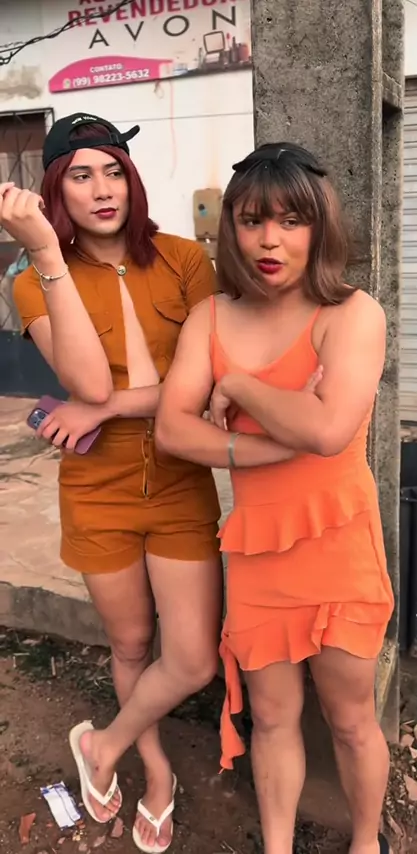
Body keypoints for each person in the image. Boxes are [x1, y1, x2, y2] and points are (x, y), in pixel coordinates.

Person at [155, 143, 395, 854]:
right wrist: (263, 444)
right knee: (272, 717)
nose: (269, 240)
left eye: (291, 221)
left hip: (340, 544)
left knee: (351, 719)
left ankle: (365, 843)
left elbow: (327, 430)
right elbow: (172, 429)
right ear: (231, 227)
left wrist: (236, 386)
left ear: (320, 227)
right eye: (252, 220)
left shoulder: (351, 313)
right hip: (258, 550)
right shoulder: (210, 317)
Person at [3, 112, 222, 853]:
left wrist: (105, 409)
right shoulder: (31, 280)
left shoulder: (186, 260)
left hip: (181, 482)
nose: (103, 190)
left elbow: (199, 388)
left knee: (191, 658)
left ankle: (103, 743)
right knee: (130, 645)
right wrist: (45, 253)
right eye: (81, 175)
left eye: (114, 171)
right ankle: (155, 773)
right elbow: (88, 379)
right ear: (54, 190)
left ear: (132, 180)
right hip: (97, 490)